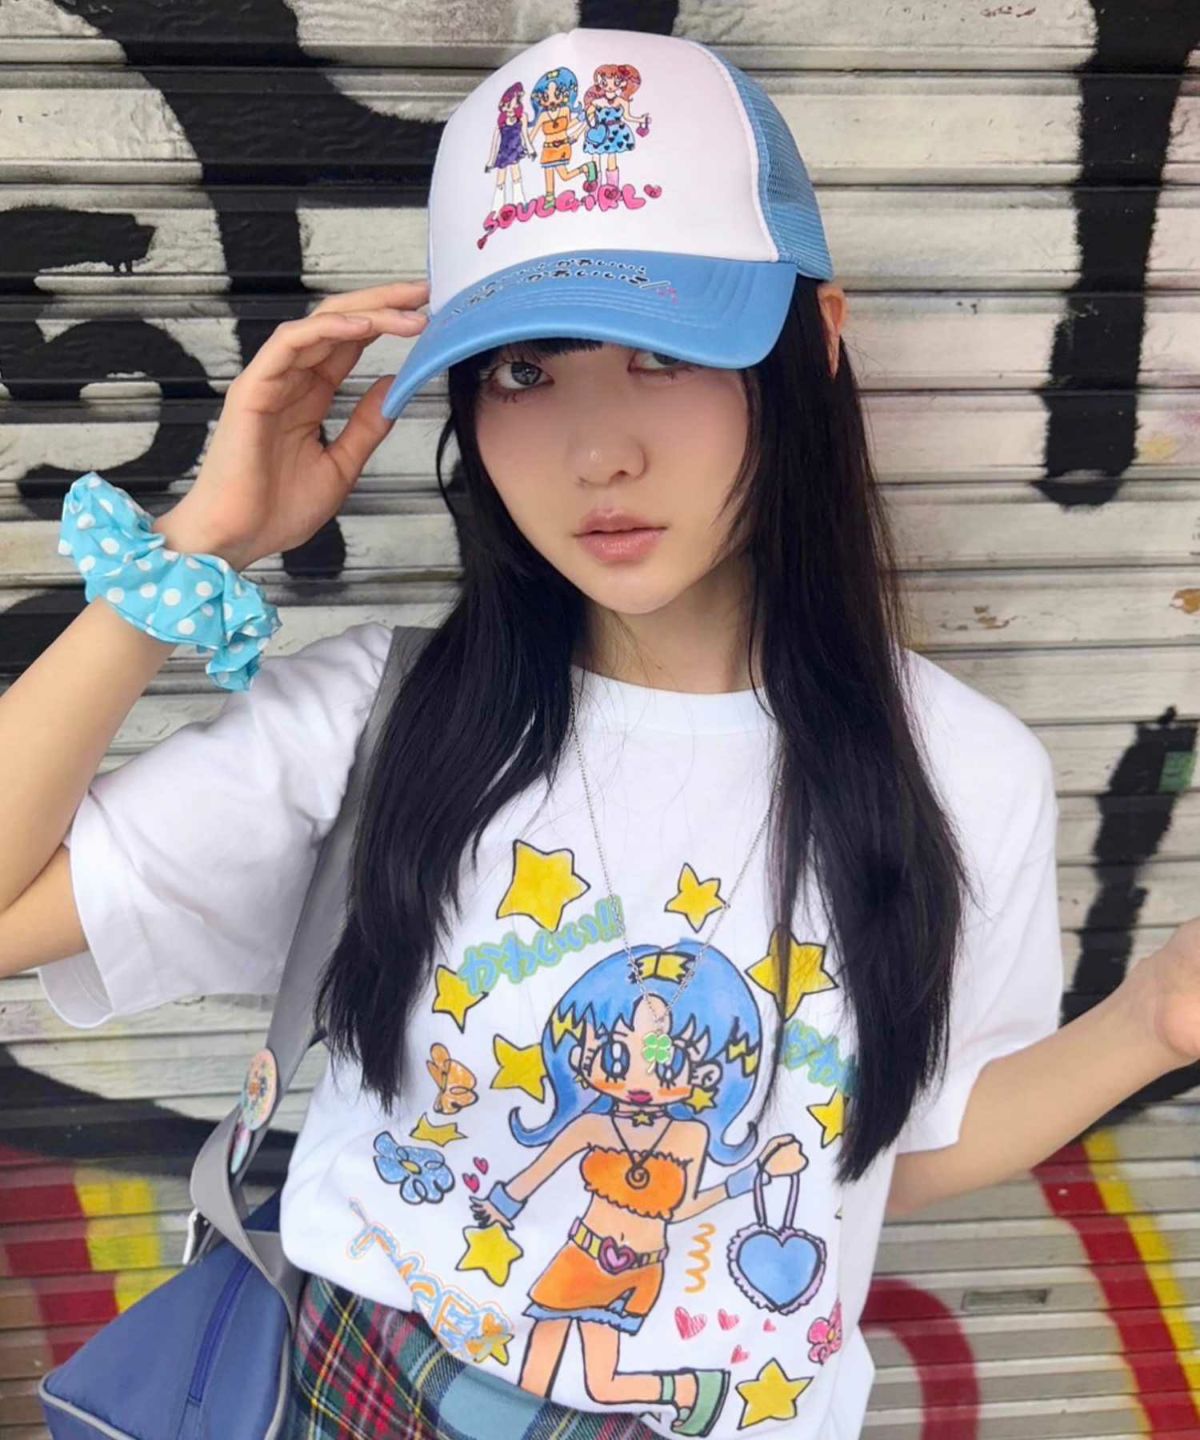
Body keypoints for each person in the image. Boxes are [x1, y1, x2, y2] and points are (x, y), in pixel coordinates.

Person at [1, 24, 1197, 1440]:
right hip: (357, 1393)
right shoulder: (385, 718)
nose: (597, 451)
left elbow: (881, 1153)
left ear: (813, 339)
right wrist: (200, 545)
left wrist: (1151, 1025)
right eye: (524, 370)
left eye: (664, 354)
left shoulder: (963, 771)